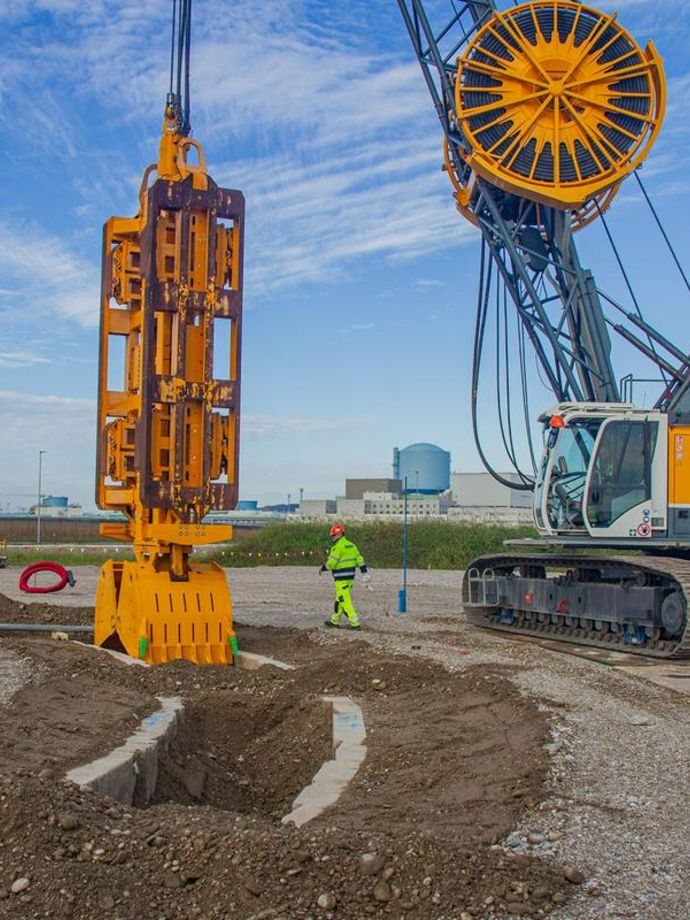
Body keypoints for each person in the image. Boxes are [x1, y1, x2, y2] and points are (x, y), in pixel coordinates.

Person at [319, 524, 367, 629]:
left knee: (344, 600)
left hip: (341, 579)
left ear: (339, 534)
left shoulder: (337, 547)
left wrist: (323, 568)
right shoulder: (352, 545)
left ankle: (355, 623)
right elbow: (359, 559)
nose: (332, 538)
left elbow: (331, 563)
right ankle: (334, 621)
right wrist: (364, 572)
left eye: (333, 535)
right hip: (350, 579)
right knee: (340, 600)